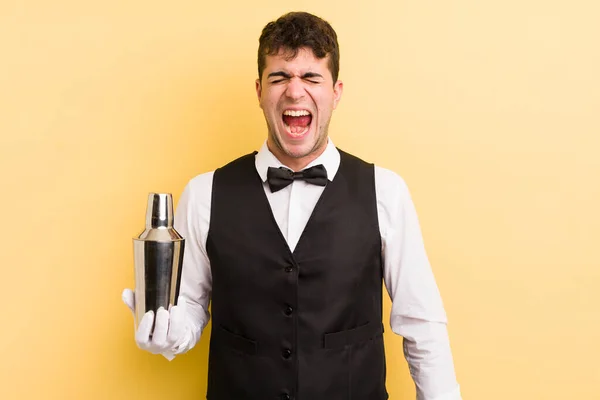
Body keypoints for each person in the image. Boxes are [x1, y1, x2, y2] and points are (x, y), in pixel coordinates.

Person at [122, 11, 462, 400]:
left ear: (335, 92)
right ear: (259, 90)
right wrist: (164, 335)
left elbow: (422, 323)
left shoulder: (386, 191)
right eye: (280, 77)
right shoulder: (203, 194)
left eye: (311, 77)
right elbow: (191, 309)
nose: (295, 91)